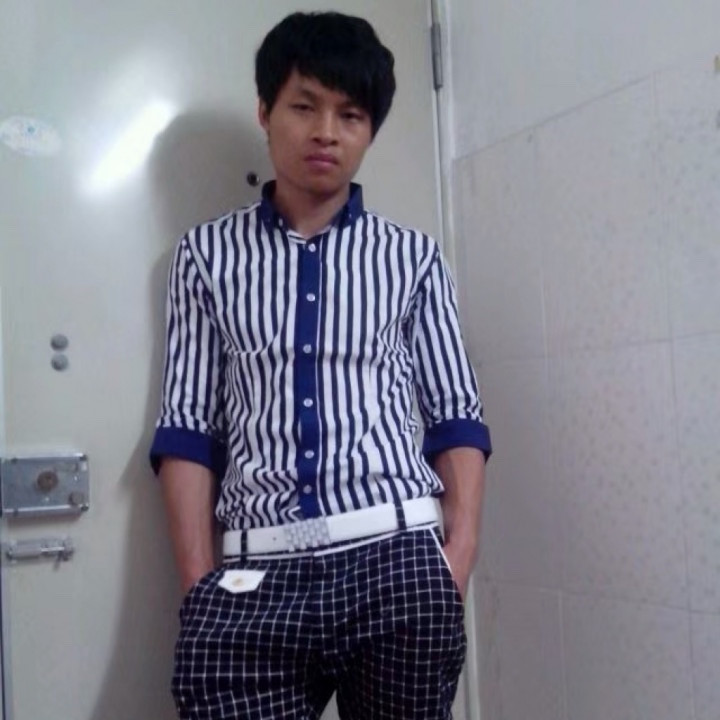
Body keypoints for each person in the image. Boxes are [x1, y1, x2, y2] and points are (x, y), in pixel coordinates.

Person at [150, 11, 491, 720]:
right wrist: (199, 586)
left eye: (350, 114)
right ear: (265, 111)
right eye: (304, 106)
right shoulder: (204, 258)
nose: (326, 132)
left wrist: (453, 562)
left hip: (397, 563)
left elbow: (456, 414)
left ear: (370, 130)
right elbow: (187, 429)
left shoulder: (412, 259)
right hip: (254, 575)